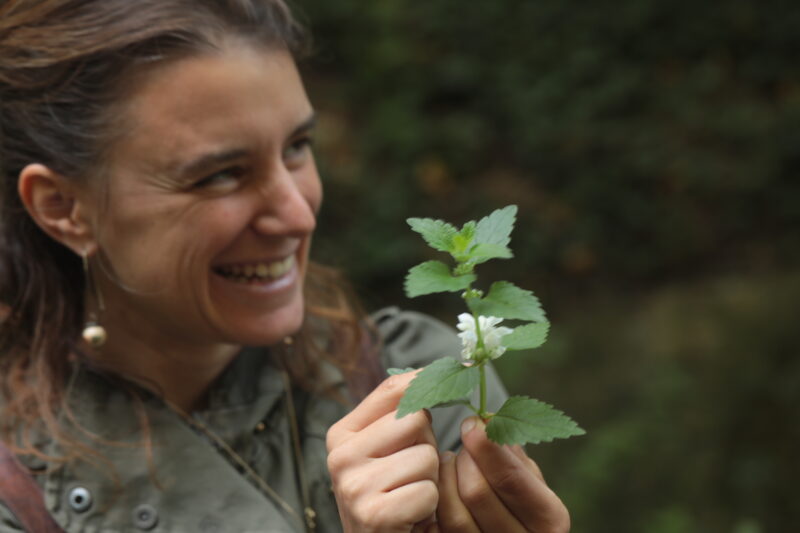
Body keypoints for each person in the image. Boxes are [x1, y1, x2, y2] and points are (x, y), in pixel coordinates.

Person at [0, 1, 571, 531]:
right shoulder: (18, 491)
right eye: (221, 174)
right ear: (63, 207)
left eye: (297, 146)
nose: (298, 215)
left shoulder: (423, 379)